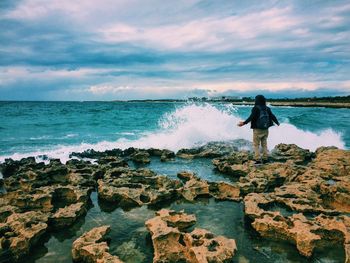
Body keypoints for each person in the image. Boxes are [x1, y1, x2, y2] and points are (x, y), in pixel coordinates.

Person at [238, 95, 279, 164]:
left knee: (256, 144)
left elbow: (251, 117)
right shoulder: (267, 108)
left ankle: (257, 159)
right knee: (264, 144)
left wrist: (244, 123)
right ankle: (265, 158)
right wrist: (277, 123)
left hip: (257, 129)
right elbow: (272, 116)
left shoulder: (255, 108)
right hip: (266, 129)